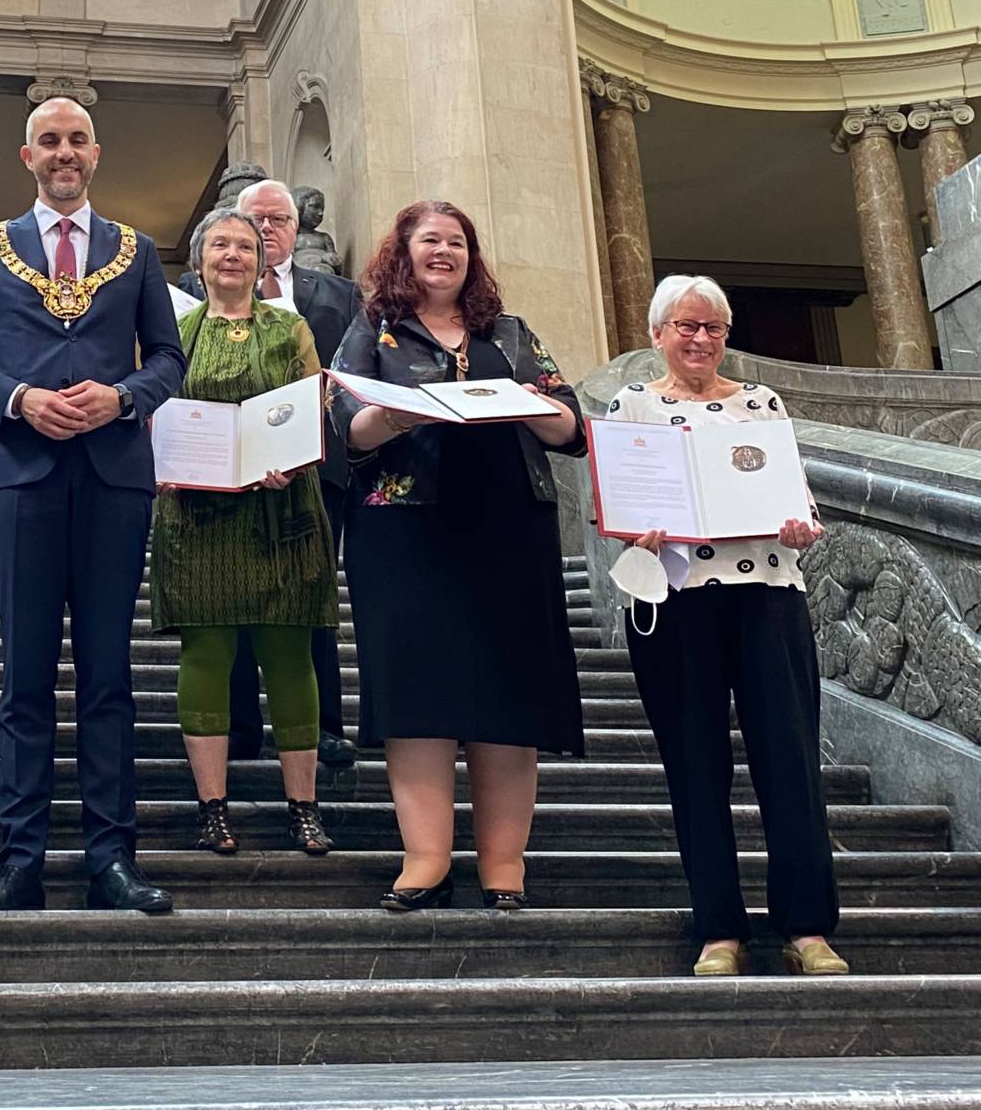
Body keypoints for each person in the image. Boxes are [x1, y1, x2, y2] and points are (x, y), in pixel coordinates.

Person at [0, 96, 187, 913]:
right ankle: (21, 859)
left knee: (110, 677)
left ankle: (113, 856)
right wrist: (16, 400)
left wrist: (122, 398)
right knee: (26, 682)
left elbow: (169, 361)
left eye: (77, 139)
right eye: (50, 140)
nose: (64, 152)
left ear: (96, 153)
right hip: (19, 476)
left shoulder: (139, 251)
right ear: (27, 156)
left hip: (114, 477)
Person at [328, 200, 586, 912]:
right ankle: (426, 859)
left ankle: (505, 866)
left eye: (457, 242)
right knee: (418, 695)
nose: (444, 252)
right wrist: (396, 414)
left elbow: (571, 424)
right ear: (402, 254)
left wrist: (536, 407)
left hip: (510, 530)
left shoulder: (511, 331)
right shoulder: (373, 330)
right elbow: (345, 428)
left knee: (510, 693)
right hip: (405, 534)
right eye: (429, 241)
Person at [607, 274, 847, 978]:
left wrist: (802, 525)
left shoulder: (760, 403)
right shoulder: (633, 405)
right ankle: (719, 929)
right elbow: (616, 504)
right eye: (686, 326)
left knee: (792, 760)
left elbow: (789, 488)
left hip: (768, 593)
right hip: (679, 600)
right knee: (695, 765)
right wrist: (634, 528)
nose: (700, 339)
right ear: (657, 334)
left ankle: (806, 927)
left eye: (712, 327)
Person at [152, 209, 338, 855]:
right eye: (219, 245)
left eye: (245, 246)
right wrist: (163, 461)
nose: (232, 255)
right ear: (199, 261)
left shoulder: (292, 328)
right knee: (205, 656)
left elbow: (311, 406)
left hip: (280, 511)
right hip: (199, 520)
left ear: (263, 262)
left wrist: (291, 454)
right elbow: (156, 416)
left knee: (290, 657)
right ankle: (212, 807)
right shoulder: (170, 334)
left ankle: (304, 807)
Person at [183, 178, 361, 768]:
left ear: (293, 229)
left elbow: (339, 384)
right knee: (223, 617)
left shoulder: (337, 293)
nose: (264, 230)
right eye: (253, 220)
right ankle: (237, 728)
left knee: (309, 612)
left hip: (307, 475)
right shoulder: (186, 302)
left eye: (277, 220)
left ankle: (326, 726)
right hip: (207, 490)